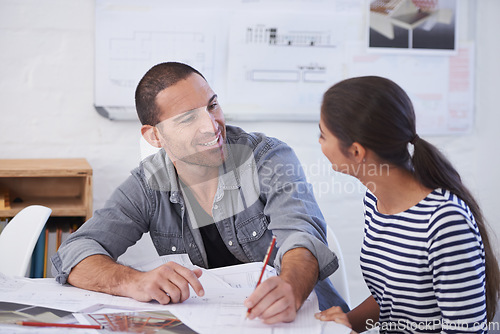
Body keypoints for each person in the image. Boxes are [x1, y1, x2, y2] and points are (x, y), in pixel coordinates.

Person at [52, 62, 348, 324]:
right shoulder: (148, 184)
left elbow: (301, 235)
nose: (211, 125)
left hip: (308, 322)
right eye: (187, 119)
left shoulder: (267, 157)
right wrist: (135, 282)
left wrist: (291, 287)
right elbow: (74, 253)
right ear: (154, 136)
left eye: (212, 106)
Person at [315, 76, 499, 333]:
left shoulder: (444, 221)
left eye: (323, 135)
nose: (319, 143)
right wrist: (349, 323)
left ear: (356, 152)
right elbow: (393, 299)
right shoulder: (375, 201)